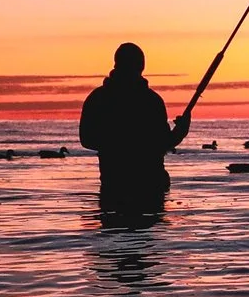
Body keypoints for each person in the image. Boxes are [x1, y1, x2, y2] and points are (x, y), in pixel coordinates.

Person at [79, 42, 192, 200]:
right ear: (141, 66)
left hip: (114, 186)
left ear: (116, 64)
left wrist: (113, 145)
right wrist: (181, 132)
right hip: (149, 187)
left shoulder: (98, 97)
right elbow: (163, 143)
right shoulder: (151, 100)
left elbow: (86, 139)